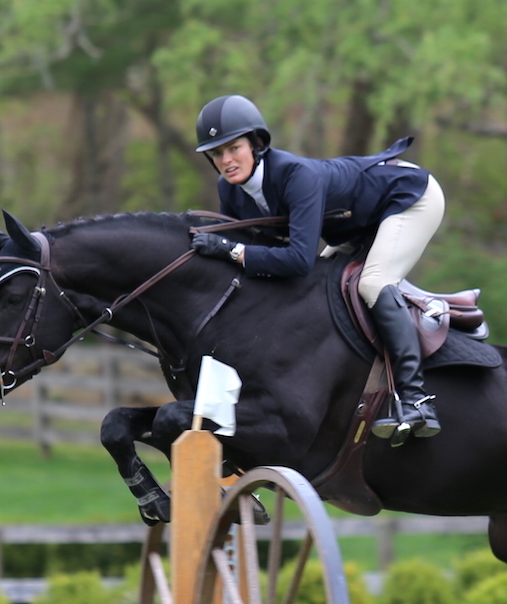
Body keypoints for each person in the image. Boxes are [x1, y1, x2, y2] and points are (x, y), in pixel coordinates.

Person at [189, 94, 446, 442]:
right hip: (354, 223)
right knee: (314, 289)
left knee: (373, 283)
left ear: (257, 143)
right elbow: (250, 260)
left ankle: (416, 399)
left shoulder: (296, 175)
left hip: (407, 197)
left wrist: (230, 250)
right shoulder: (231, 191)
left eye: (234, 148)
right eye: (217, 153)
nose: (226, 160)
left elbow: (294, 259)